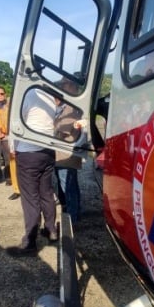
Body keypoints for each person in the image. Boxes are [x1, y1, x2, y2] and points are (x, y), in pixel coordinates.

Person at [7, 88, 58, 256]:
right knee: (47, 193)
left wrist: (12, 147)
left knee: (30, 198)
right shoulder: (49, 95)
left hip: (28, 153)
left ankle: (30, 241)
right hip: (48, 151)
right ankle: (51, 230)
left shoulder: (25, 93)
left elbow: (15, 122)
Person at [53, 89, 85, 223]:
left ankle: (73, 217)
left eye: (54, 96)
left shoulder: (70, 110)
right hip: (61, 154)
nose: (53, 99)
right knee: (69, 185)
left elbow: (63, 130)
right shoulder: (61, 109)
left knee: (69, 187)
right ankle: (74, 211)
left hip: (66, 155)